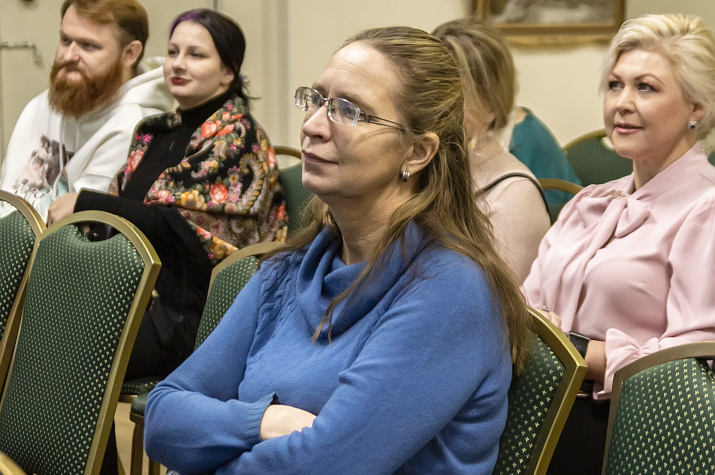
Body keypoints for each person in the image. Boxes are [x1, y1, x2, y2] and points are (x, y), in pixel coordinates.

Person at [143, 26, 531, 474]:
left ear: (417, 152)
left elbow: (323, 465)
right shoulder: (289, 269)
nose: (311, 126)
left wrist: (209, 447)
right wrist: (265, 421)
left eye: (348, 110)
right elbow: (163, 417)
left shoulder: (449, 289)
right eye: (316, 100)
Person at [522, 13, 715, 474]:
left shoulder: (705, 210)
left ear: (696, 107)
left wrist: (576, 352)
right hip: (534, 411)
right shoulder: (589, 202)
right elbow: (526, 309)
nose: (622, 103)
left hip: (631, 435)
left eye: (645, 87)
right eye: (614, 85)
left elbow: (695, 363)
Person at [48, 9, 287, 380]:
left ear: (228, 71)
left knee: (69, 352)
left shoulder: (239, 138)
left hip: (197, 313)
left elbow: (178, 232)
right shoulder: (153, 131)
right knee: (37, 326)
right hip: (131, 292)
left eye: (196, 54)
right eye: (173, 52)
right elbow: (121, 218)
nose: (178, 64)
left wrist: (86, 202)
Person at [0, 0, 173, 220]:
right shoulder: (46, 103)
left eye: (87, 45)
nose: (68, 55)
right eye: (65, 40)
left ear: (130, 53)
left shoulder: (137, 127)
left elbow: (75, 229)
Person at [433, 17, 551, 283]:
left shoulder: (516, 197)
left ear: (492, 104)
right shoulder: (425, 165)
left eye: (454, 95)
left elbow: (504, 303)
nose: (436, 107)